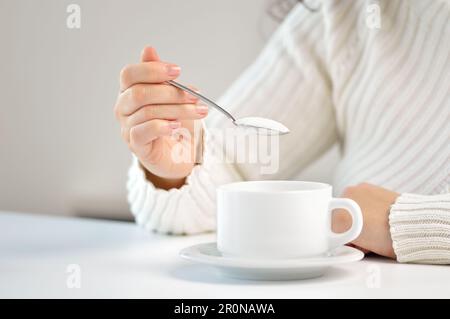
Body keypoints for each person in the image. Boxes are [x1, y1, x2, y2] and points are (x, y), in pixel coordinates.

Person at [114, 0, 450, 264]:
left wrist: (402, 223)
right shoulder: (345, 11)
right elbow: (225, 170)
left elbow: (395, 224)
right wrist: (176, 170)